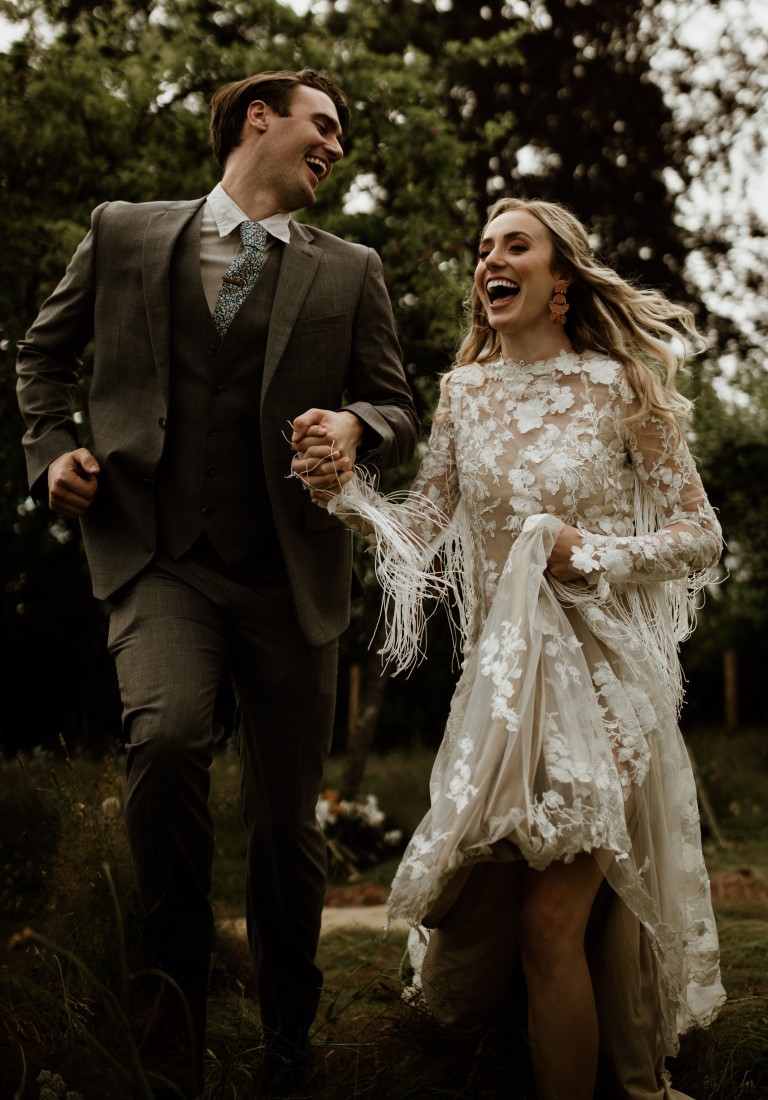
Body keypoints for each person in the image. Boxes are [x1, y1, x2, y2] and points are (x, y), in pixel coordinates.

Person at [16, 68, 418, 1097]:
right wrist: (52, 452)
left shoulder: (350, 267)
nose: (335, 145)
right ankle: (169, 1024)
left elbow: (393, 402)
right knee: (164, 735)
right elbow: (43, 358)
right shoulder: (123, 230)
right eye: (323, 124)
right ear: (259, 118)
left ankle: (288, 1030)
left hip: (291, 573)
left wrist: (354, 425)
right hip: (157, 554)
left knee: (287, 824)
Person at [293, 197, 725, 1100]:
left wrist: (592, 552)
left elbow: (699, 535)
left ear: (560, 280)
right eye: (484, 247)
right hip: (505, 693)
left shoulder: (620, 385)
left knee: (547, 920)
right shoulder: (464, 395)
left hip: (608, 685)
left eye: (514, 245)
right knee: (495, 909)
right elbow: (422, 528)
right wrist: (345, 497)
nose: (490, 259)